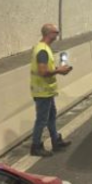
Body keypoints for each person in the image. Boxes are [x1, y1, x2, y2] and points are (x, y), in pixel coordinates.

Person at [30, 24, 72, 157]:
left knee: (51, 117)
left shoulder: (43, 48)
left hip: (46, 91)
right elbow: (43, 72)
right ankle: (36, 146)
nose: (58, 35)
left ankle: (56, 140)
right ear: (50, 34)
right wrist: (59, 70)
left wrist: (58, 70)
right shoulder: (42, 51)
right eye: (56, 32)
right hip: (42, 91)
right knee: (42, 120)